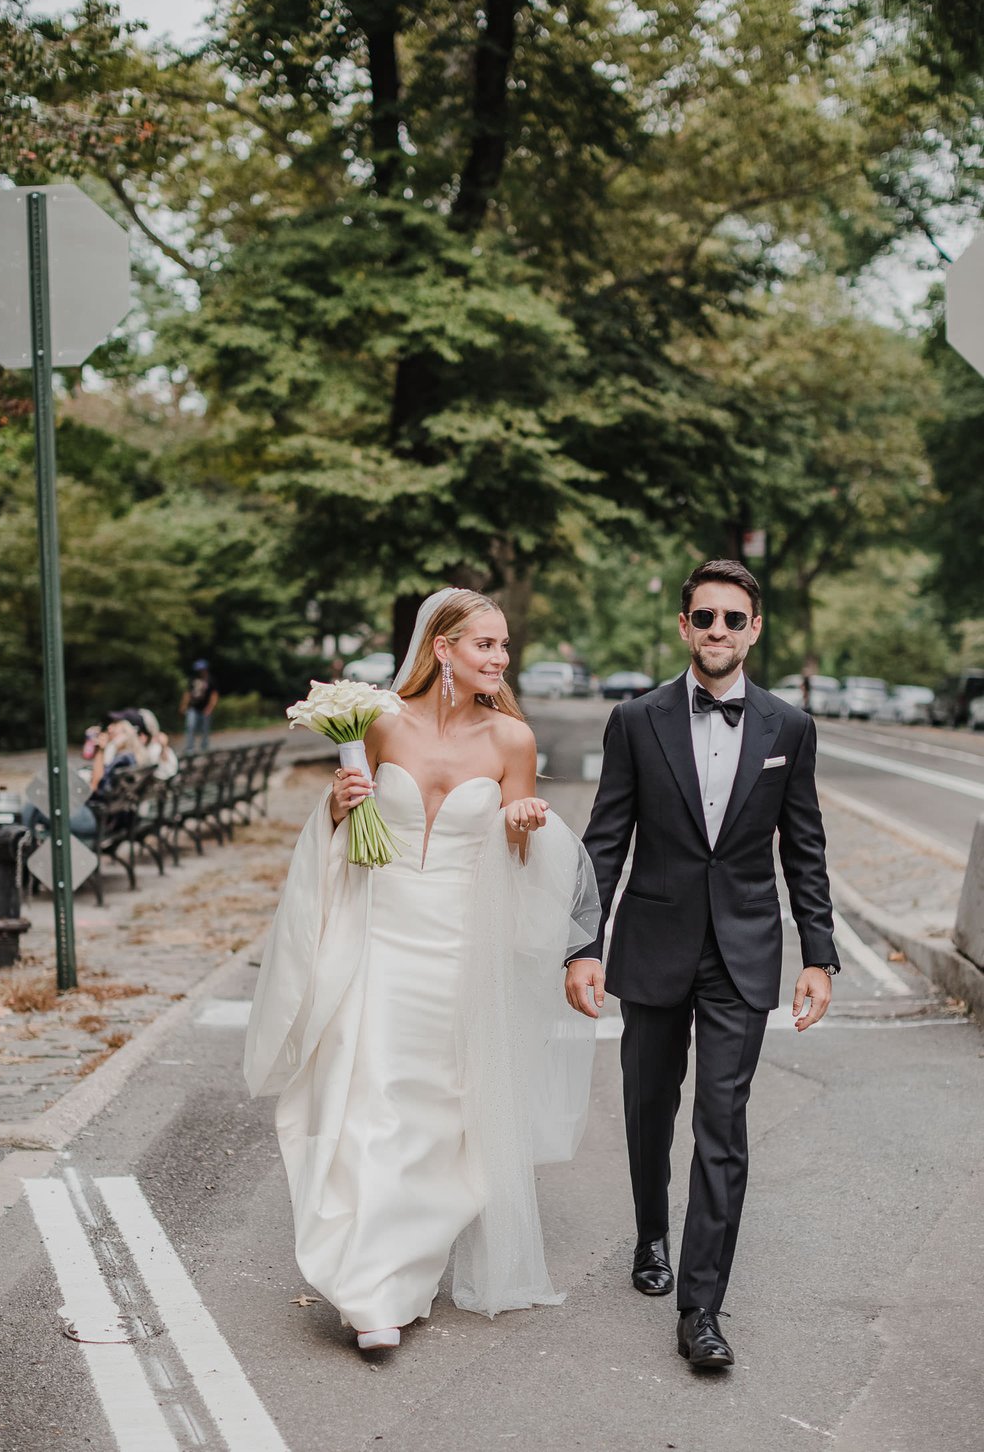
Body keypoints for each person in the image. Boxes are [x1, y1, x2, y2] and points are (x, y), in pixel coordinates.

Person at [243, 589, 599, 1353]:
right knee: (370, 1105)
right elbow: (343, 828)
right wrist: (340, 806)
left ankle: (404, 1274)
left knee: (441, 1119)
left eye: (504, 647)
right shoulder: (377, 724)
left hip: (461, 951)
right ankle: (374, 1295)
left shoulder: (512, 741)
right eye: (485, 645)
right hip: (380, 938)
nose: (499, 659)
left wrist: (524, 826)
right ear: (441, 648)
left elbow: (522, 859)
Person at [565, 558, 838, 1371]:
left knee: (722, 1125)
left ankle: (701, 1309)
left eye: (734, 618)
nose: (719, 630)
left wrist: (818, 956)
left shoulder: (789, 728)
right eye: (705, 617)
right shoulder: (635, 719)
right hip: (652, 945)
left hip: (744, 952)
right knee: (650, 1107)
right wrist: (584, 944)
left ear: (755, 629)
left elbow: (807, 849)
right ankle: (651, 1233)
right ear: (684, 627)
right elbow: (605, 839)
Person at [180, 661, 218, 754]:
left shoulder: (210, 680)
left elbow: (214, 695)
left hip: (205, 709)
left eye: (201, 669)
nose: (200, 671)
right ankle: (190, 748)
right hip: (193, 708)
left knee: (205, 729)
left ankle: (204, 748)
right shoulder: (193, 679)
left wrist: (210, 707)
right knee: (190, 726)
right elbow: (188, 693)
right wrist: (183, 705)